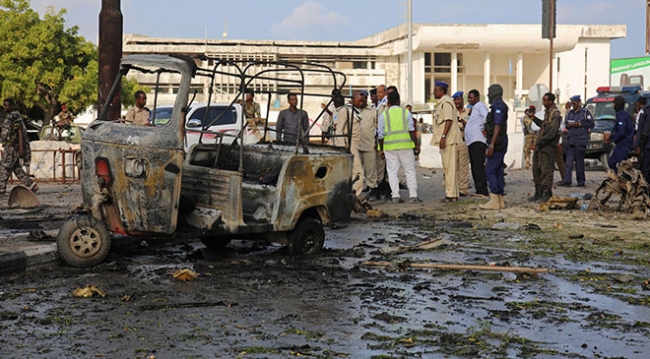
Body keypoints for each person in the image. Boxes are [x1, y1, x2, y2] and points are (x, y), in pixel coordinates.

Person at [378, 90, 420, 203]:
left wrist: (381, 149)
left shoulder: (384, 115)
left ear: (388, 102)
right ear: (399, 101)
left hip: (389, 148)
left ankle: (395, 196)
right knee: (409, 171)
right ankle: (413, 195)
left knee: (392, 172)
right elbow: (412, 130)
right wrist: (416, 145)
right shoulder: (405, 113)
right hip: (406, 146)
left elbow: (380, 135)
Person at [479, 84, 508, 210]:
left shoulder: (498, 107)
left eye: (489, 92)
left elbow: (497, 125)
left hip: (497, 142)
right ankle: (500, 199)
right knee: (498, 170)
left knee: (490, 169)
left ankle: (494, 197)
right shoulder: (499, 106)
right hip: (499, 141)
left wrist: (491, 144)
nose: (488, 95)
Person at [528, 93, 561, 203]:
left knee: (546, 170)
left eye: (545, 101)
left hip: (547, 146)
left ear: (551, 101)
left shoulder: (555, 114)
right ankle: (538, 192)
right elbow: (544, 125)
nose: (543, 103)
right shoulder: (548, 113)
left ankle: (547, 193)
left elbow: (552, 133)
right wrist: (534, 119)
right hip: (541, 146)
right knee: (536, 170)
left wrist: (539, 143)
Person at [0, 98, 38, 195]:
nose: (5, 107)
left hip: (12, 147)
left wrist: (21, 147)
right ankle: (32, 185)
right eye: (4, 105)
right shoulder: (10, 116)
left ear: (12, 106)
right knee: (16, 169)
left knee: (5, 167)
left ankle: (1, 189)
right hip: (10, 146)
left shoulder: (14, 116)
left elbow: (19, 131)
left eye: (7, 105)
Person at [432, 81, 461, 203]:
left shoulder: (447, 103)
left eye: (436, 89)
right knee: (448, 168)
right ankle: (452, 194)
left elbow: (448, 120)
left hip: (448, 140)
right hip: (445, 140)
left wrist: (443, 137)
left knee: (450, 168)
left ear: (442, 91)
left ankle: (451, 195)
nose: (434, 92)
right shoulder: (442, 103)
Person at [557, 95, 594, 187]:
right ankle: (567, 180)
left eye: (574, 103)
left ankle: (580, 181)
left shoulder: (585, 113)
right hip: (571, 141)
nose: (573, 105)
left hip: (580, 141)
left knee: (579, 163)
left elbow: (591, 124)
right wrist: (568, 125)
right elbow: (565, 124)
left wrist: (580, 124)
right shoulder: (570, 113)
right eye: (572, 103)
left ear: (579, 102)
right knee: (568, 163)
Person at [350, 90, 380, 200]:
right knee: (356, 172)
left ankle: (373, 190)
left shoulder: (373, 112)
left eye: (363, 100)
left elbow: (378, 128)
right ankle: (355, 192)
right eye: (359, 100)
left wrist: (377, 143)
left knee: (370, 170)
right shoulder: (351, 111)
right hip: (356, 146)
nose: (361, 102)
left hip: (369, 145)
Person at [465, 89, 489, 198]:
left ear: (477, 97)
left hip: (478, 140)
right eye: (468, 98)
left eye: (471, 97)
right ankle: (479, 190)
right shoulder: (473, 108)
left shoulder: (480, 106)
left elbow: (487, 118)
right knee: (475, 166)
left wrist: (485, 128)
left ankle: (483, 190)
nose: (470, 99)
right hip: (472, 141)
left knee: (478, 166)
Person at [607, 95, 635, 173]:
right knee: (611, 162)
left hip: (624, 143)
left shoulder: (622, 116)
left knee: (622, 165)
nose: (613, 106)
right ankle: (617, 177)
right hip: (620, 144)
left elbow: (621, 132)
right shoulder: (620, 115)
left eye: (614, 104)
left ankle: (624, 180)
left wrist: (613, 139)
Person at [452, 91, 471, 197]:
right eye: (455, 100)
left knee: (464, 166)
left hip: (464, 141)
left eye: (459, 99)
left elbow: (473, 125)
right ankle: (454, 188)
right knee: (454, 166)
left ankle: (463, 189)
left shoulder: (468, 111)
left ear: (462, 100)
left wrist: (465, 124)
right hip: (454, 141)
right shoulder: (451, 112)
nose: (457, 102)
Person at [635, 97, 650, 183]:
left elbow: (640, 130)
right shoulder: (645, 111)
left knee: (646, 169)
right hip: (646, 145)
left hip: (647, 145)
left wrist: (637, 145)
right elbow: (640, 129)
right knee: (646, 170)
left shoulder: (645, 111)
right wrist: (637, 145)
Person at [521, 105, 538, 170]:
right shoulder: (532, 117)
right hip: (533, 134)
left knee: (528, 149)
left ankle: (528, 161)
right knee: (532, 149)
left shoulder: (527, 117)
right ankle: (530, 162)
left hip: (530, 135)